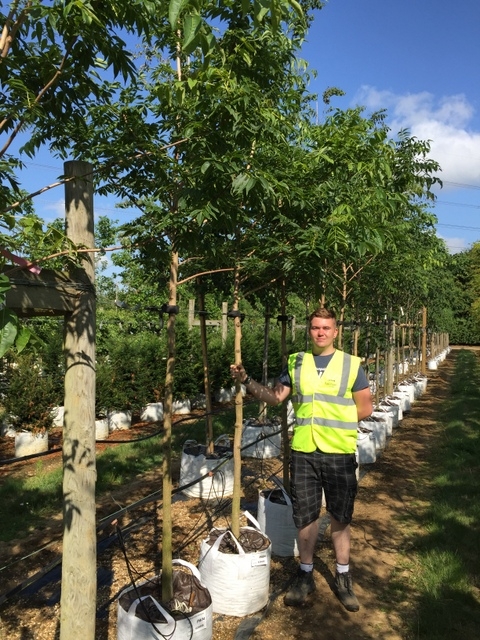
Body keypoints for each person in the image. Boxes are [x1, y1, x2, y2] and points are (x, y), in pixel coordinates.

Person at [230, 307, 373, 611]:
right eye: (315, 328)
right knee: (306, 515)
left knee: (340, 516)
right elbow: (275, 397)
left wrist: (333, 422)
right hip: (304, 452)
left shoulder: (351, 365)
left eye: (326, 328)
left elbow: (365, 408)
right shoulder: (296, 363)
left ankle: (343, 576)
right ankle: (305, 574)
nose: (320, 333)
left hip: (339, 452)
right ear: (309, 331)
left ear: (336, 332)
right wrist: (246, 380)